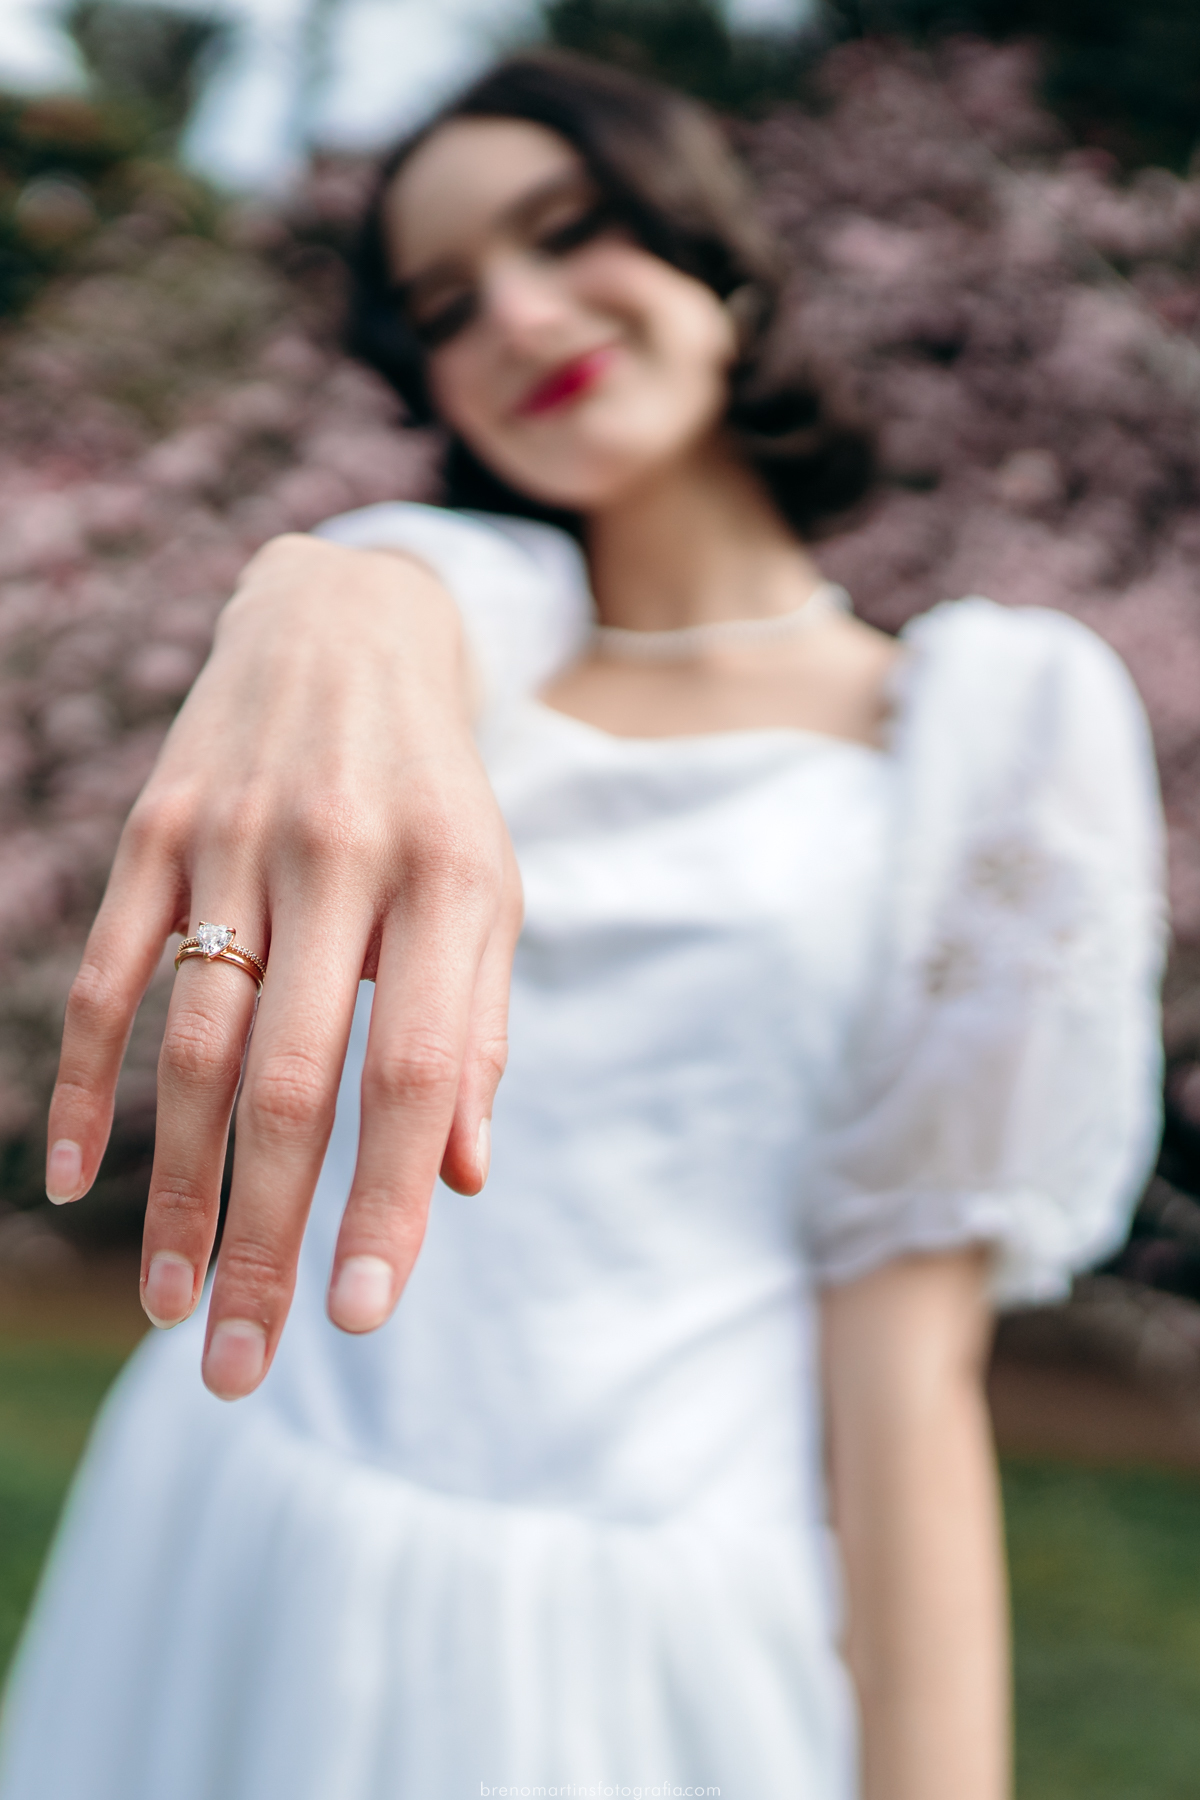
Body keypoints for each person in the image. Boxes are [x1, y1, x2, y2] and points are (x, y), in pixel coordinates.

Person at [0, 49, 1166, 1800]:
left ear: (716, 255)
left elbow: (908, 1361)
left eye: (568, 232)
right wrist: (311, 585)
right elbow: (376, 602)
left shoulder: (985, 736)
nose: (523, 315)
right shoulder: (445, 631)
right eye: (446, 303)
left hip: (650, 1624)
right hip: (253, 1507)